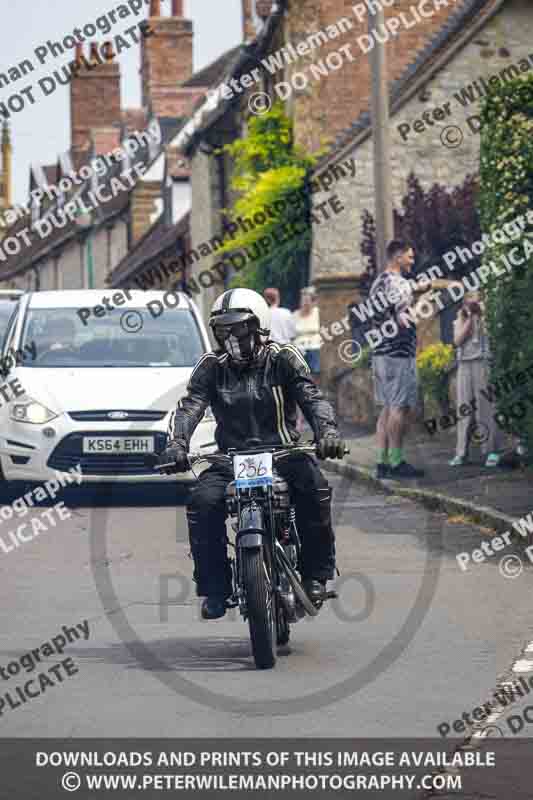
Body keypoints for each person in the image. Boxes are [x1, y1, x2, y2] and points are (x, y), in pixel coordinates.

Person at [158, 288, 346, 620]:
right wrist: (177, 444)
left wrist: (327, 432)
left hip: (284, 453)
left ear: (259, 326)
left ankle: (316, 575)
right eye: (223, 330)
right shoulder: (210, 367)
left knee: (315, 487)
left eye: (239, 328)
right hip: (231, 458)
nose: (231, 337)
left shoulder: (283, 357)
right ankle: (215, 589)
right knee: (202, 502)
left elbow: (311, 397)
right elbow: (190, 408)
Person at [369, 240, 424, 479]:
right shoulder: (399, 284)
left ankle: (382, 463)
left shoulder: (378, 283)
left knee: (386, 409)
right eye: (410, 257)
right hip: (398, 354)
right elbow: (405, 320)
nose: (412, 261)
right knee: (399, 408)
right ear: (398, 257)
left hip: (380, 353)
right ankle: (396, 462)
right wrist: (423, 303)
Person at [449, 291, 504, 467]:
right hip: (464, 365)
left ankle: (492, 451)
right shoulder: (459, 320)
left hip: (483, 363)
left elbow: (491, 335)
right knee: (464, 409)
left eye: (476, 303)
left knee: (486, 407)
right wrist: (470, 318)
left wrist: (481, 316)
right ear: (464, 305)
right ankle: (461, 453)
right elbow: (458, 341)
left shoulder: (488, 318)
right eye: (469, 303)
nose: (472, 306)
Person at [293, 287, 321, 375]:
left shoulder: (318, 312)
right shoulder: (295, 315)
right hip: (299, 348)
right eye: (303, 301)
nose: (305, 303)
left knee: (315, 374)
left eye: (307, 301)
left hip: (314, 347)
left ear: (312, 302)